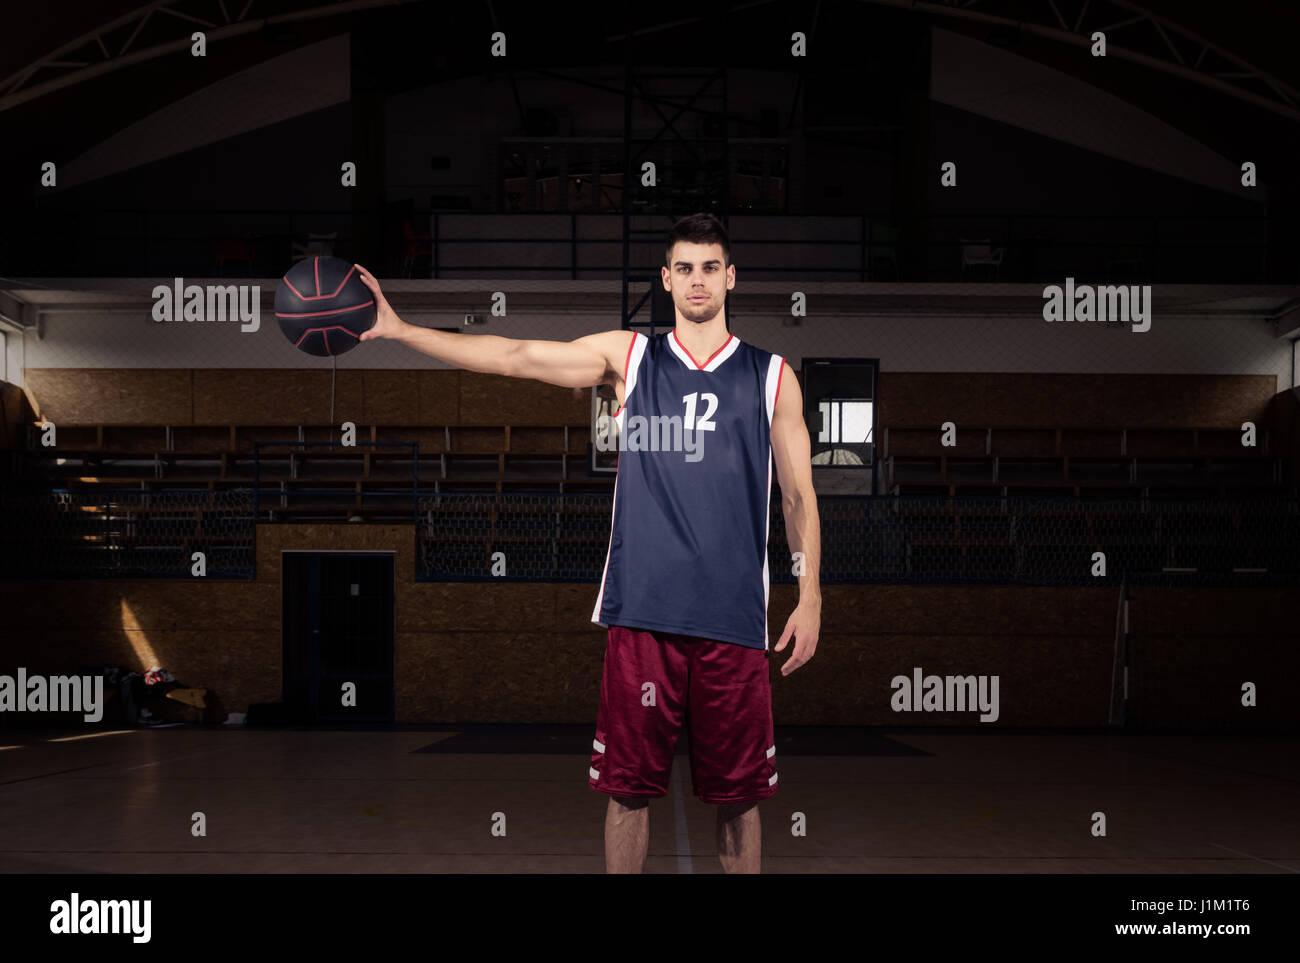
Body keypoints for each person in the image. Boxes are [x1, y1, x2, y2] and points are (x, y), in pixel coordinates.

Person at [355, 212, 821, 873]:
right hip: (643, 615)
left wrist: (812, 599)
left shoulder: (772, 376)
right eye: (684, 267)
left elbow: (800, 497)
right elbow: (515, 357)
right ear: (665, 278)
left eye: (710, 267)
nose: (697, 280)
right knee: (627, 794)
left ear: (731, 277)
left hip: (734, 621)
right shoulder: (630, 357)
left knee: (740, 800)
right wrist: (402, 331)